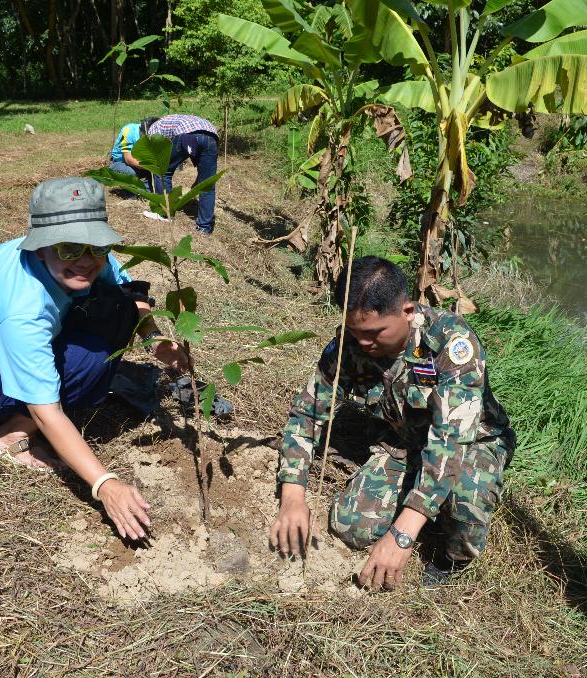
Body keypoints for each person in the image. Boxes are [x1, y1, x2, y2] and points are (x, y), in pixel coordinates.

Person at [0, 177, 188, 541]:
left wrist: (153, 339)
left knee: (118, 306)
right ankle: (9, 436)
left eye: (96, 246)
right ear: (41, 249)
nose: (86, 260)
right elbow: (47, 410)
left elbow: (128, 291)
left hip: (6, 348)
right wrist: (105, 484)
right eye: (70, 249)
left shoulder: (80, 256)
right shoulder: (24, 309)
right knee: (90, 362)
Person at [270, 256, 515, 589]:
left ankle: (450, 559)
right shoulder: (350, 345)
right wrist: (292, 497)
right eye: (355, 332)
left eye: (374, 333)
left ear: (407, 311)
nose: (363, 343)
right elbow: (307, 415)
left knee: (466, 501)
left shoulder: (450, 342)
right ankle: (423, 498)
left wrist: (402, 534)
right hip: (404, 440)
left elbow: (450, 443)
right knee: (349, 525)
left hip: (472, 443)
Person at [146, 113, 219, 234]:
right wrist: (199, 181)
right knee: (207, 184)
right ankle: (204, 227)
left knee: (162, 171)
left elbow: (157, 155)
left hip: (188, 134)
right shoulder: (173, 119)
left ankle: (165, 213)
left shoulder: (154, 127)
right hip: (212, 135)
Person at [108, 116, 159, 192]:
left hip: (141, 164)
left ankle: (145, 191)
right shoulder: (128, 130)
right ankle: (130, 192)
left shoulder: (157, 134)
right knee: (131, 173)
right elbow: (128, 160)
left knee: (158, 172)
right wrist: (151, 167)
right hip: (119, 163)